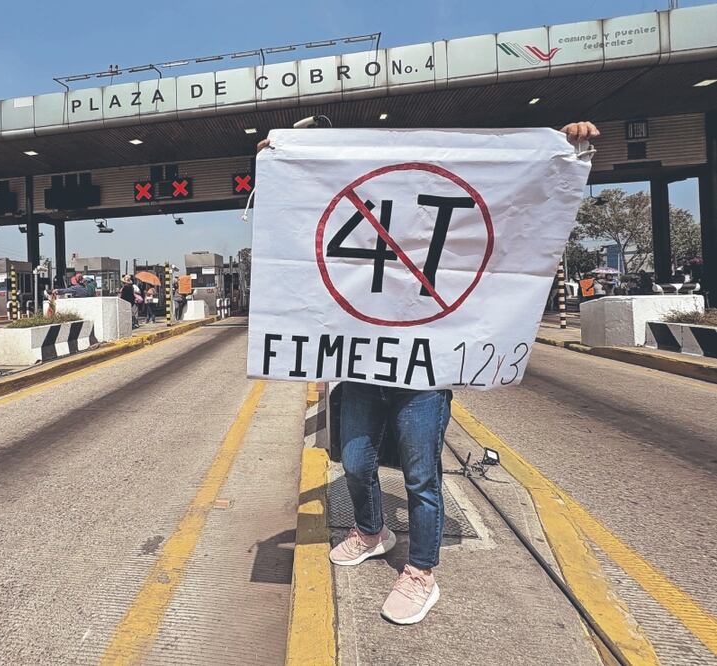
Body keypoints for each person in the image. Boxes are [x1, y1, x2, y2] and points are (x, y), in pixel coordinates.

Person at [257, 121, 600, 625]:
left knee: (421, 477)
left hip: (423, 378)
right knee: (353, 462)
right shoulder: (368, 221)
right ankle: (372, 531)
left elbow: (517, 216)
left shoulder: (445, 235)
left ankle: (421, 570)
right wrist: (283, 156)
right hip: (361, 370)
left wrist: (569, 148)